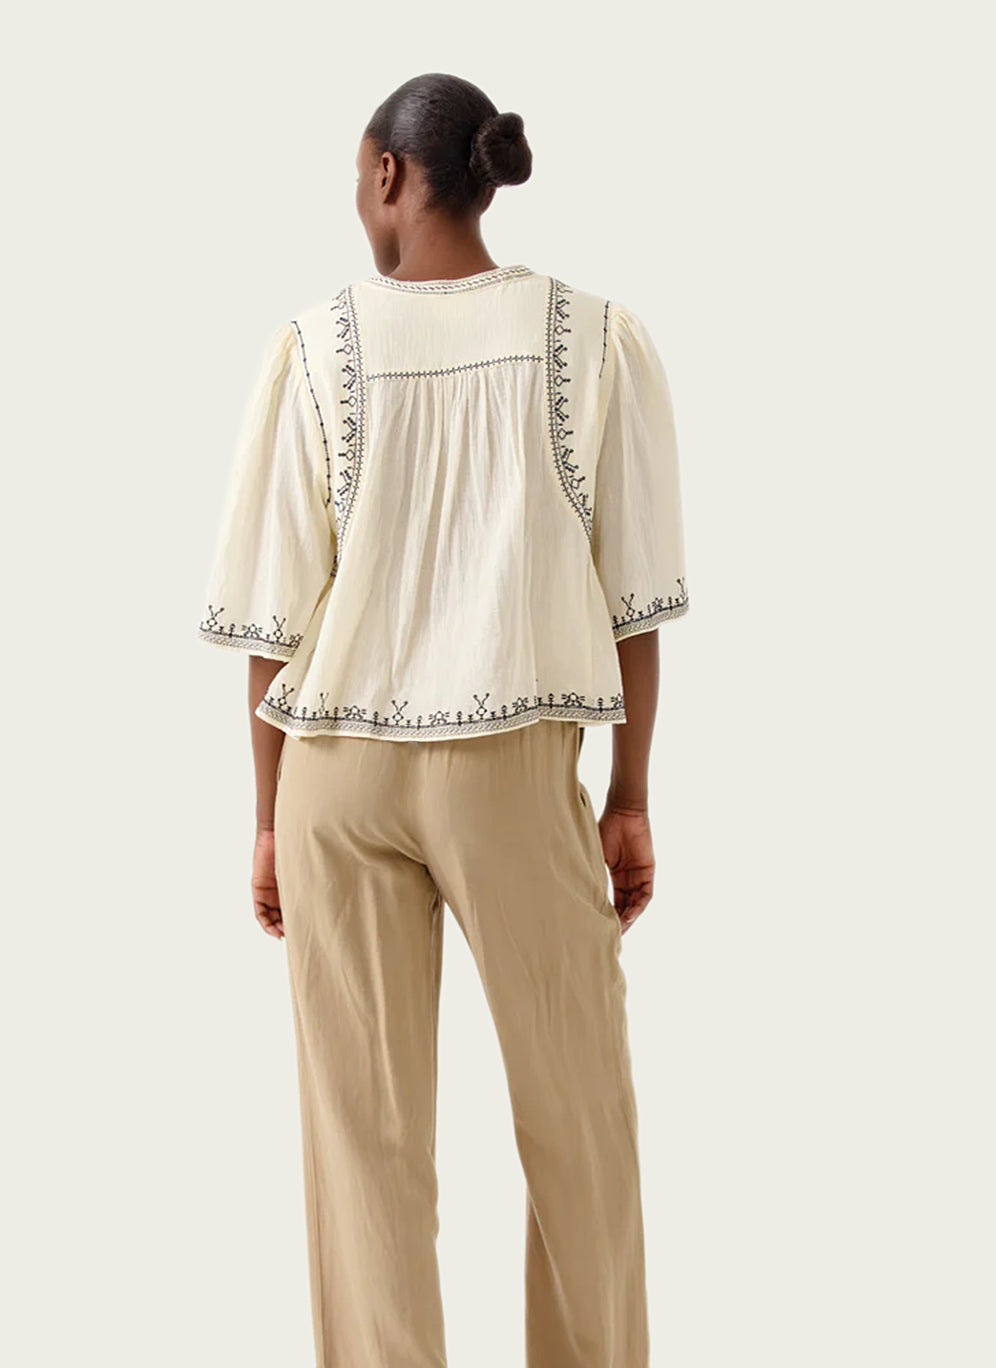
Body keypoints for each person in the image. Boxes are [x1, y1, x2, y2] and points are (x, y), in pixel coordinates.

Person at [197, 71, 689, 1368]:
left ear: (387, 174)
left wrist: (268, 819)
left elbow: (272, 620)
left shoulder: (314, 348)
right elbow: (635, 603)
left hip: (335, 775)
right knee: (580, 1122)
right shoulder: (594, 339)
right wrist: (629, 795)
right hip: (510, 767)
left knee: (362, 1146)